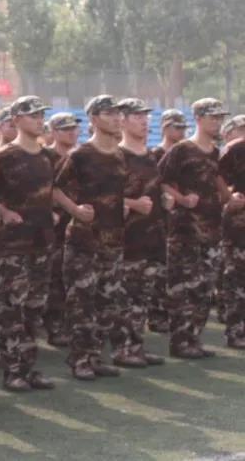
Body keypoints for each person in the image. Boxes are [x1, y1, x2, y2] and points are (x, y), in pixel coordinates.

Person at [53, 96, 135, 380]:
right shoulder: (81, 155)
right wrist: (75, 209)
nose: (117, 118)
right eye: (109, 113)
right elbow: (55, 188)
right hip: (84, 242)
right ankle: (80, 360)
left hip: (113, 240)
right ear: (94, 119)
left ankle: (95, 356)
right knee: (82, 304)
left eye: (118, 113)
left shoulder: (120, 155)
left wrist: (122, 206)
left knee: (107, 303)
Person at [159, 98, 242, 358]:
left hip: (211, 230)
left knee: (204, 289)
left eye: (220, 118)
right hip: (184, 231)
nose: (217, 122)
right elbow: (161, 180)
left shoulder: (216, 153)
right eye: (212, 117)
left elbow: (219, 185)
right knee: (183, 287)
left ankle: (193, 339)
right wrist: (181, 199)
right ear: (198, 118)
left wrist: (230, 198)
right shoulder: (182, 149)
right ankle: (180, 342)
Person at [0, 97, 58, 392]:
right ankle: (11, 370)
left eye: (41, 115)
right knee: (12, 308)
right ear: (16, 120)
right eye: (33, 115)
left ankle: (29, 367)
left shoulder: (46, 156)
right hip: (13, 245)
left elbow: (50, 191)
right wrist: (4, 212)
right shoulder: (4, 156)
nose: (39, 120)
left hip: (41, 241)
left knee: (34, 307)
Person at [115, 99, 167, 367]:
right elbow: (99, 197)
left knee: (142, 297)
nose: (144, 121)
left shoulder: (150, 155)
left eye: (145, 116)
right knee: (125, 297)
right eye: (137, 116)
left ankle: (136, 346)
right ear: (122, 121)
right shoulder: (116, 156)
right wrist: (132, 204)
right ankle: (122, 349)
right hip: (127, 239)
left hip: (152, 236)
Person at [148, 109, 188, 332]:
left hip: (183, 218)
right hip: (163, 217)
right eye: (176, 127)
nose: (181, 131)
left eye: (183, 127)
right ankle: (157, 314)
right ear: (164, 128)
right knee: (161, 267)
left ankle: (173, 311)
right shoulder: (157, 153)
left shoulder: (185, 153)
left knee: (179, 267)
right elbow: (153, 183)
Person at [43, 113, 81, 347]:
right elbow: (40, 189)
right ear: (54, 132)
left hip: (77, 223)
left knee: (75, 277)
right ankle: (55, 326)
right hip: (54, 226)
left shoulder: (80, 156)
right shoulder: (46, 156)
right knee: (55, 277)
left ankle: (72, 324)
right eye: (66, 129)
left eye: (74, 128)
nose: (71, 133)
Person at [219, 115, 245, 348]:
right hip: (239, 226)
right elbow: (214, 178)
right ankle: (236, 332)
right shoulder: (235, 150)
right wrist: (229, 196)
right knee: (237, 280)